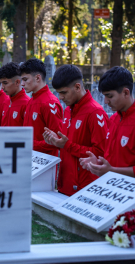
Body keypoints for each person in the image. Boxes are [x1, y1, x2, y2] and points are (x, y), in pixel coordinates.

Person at [79, 66, 135, 182]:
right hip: (111, 189)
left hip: (132, 194)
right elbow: (115, 159)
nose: (105, 101)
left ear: (126, 93)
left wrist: (111, 170)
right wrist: (98, 162)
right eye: (104, 96)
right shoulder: (113, 119)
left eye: (110, 96)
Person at [42, 65, 109, 196]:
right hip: (65, 184)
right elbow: (67, 144)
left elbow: (101, 153)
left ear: (77, 87)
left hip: (85, 188)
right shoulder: (67, 110)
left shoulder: (95, 113)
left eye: (64, 92)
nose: (60, 97)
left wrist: (66, 145)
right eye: (58, 93)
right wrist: (56, 141)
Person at [20, 58, 63, 156]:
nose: (22, 84)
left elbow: (58, 140)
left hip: (45, 163)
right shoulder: (31, 100)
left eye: (25, 79)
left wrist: (30, 144)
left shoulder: (50, 103)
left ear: (38, 78)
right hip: (29, 159)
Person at [0, 62, 30, 126]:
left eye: (5, 83)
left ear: (17, 82)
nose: (2, 87)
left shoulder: (27, 104)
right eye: (1, 83)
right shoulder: (6, 101)